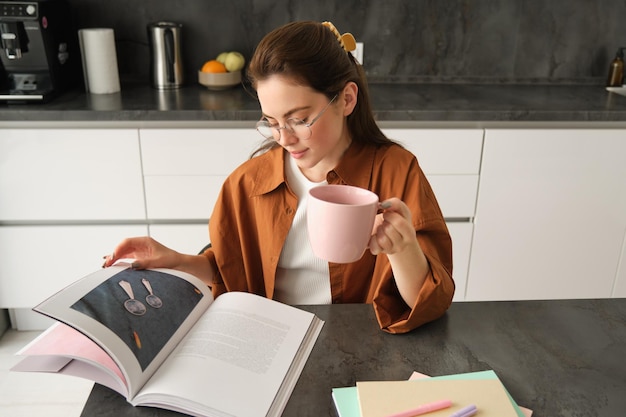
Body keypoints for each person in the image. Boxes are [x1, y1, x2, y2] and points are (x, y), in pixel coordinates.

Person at [103, 21, 454, 334]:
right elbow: (230, 272)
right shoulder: (247, 184)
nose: (284, 138)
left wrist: (404, 248)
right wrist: (178, 262)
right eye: (271, 122)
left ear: (346, 99)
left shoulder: (397, 171)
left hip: (359, 344)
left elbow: (430, 303)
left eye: (300, 119)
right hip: (268, 341)